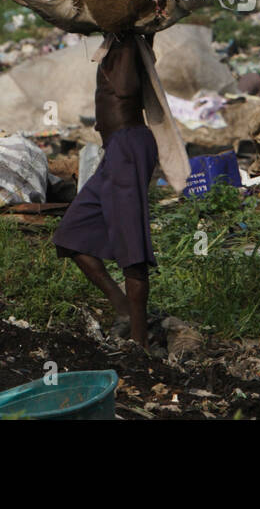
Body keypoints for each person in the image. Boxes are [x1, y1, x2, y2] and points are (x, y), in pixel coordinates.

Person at [52, 32, 159, 348]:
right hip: (116, 149)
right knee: (70, 234)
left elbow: (126, 90)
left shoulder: (128, 44)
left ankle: (140, 344)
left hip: (128, 147)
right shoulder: (120, 44)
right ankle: (122, 305)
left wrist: (122, 37)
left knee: (132, 250)